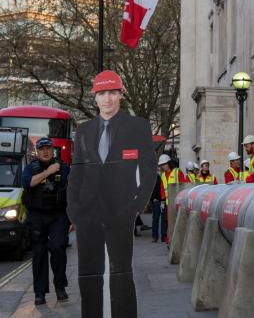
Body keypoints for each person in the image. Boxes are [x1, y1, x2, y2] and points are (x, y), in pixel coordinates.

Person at [67, 70, 157, 318]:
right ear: (95, 98)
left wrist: (136, 205)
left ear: (121, 95)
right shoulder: (83, 130)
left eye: (112, 93)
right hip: (87, 212)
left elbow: (149, 169)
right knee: (88, 275)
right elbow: (76, 172)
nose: (107, 99)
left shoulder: (138, 126)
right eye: (102, 94)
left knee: (121, 273)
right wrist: (73, 209)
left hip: (121, 211)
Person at [22, 137, 70, 305]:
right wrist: (49, 171)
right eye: (42, 149)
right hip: (37, 216)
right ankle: (40, 293)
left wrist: (75, 219)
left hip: (58, 215)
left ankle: (60, 287)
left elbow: (74, 192)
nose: (45, 151)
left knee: (58, 248)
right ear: (37, 151)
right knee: (39, 254)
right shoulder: (30, 168)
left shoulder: (64, 168)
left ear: (52, 150)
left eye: (48, 148)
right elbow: (28, 183)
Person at [149, 171, 164, 243]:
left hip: (164, 200)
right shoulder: (154, 176)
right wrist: (153, 198)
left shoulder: (163, 176)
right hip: (156, 201)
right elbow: (150, 188)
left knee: (164, 220)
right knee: (155, 219)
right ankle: (155, 237)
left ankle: (163, 237)